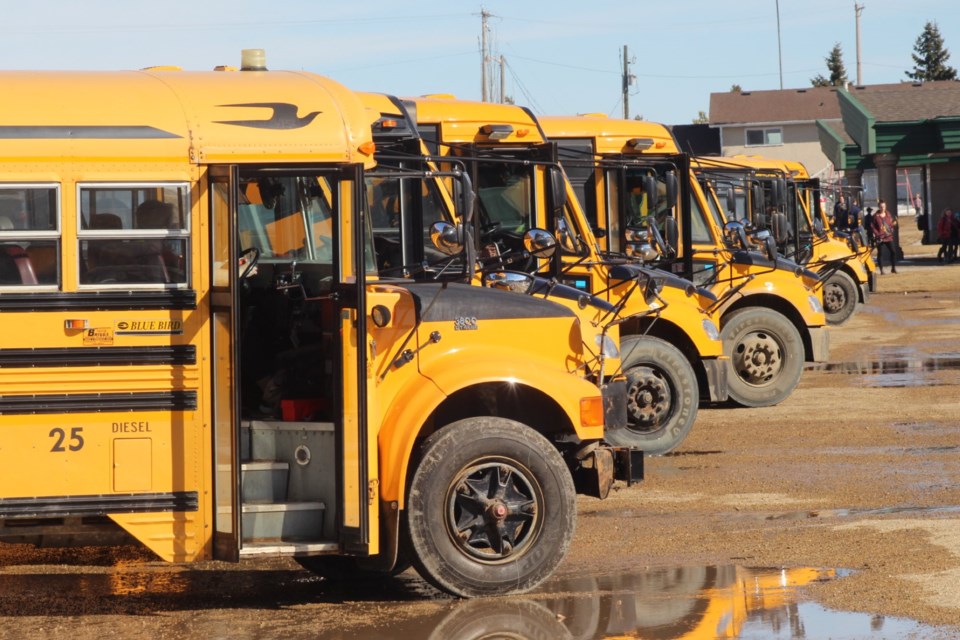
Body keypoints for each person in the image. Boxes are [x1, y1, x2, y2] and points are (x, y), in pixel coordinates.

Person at [871, 199, 898, 274]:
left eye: (884, 207)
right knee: (880, 253)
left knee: (893, 251)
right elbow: (872, 227)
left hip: (888, 236)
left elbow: (890, 224)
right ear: (879, 207)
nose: (883, 208)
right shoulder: (875, 216)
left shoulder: (888, 214)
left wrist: (893, 226)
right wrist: (877, 234)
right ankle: (881, 270)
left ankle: (893, 268)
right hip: (880, 238)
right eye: (881, 207)